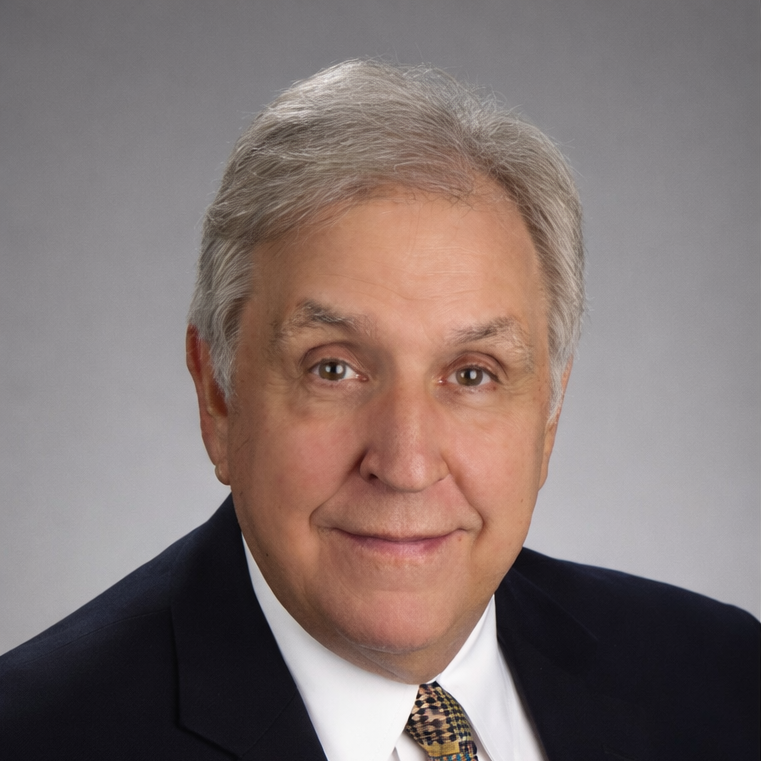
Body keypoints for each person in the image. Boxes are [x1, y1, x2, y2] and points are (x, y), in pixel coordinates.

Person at [0, 60, 757, 761]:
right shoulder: (36, 733)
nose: (405, 464)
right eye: (332, 369)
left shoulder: (724, 677)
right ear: (218, 397)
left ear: (549, 415)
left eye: (472, 374)